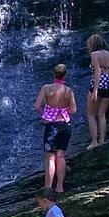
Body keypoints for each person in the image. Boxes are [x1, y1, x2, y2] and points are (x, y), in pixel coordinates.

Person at [34, 64, 77, 193]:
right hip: (64, 125)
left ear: (54, 74)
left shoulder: (47, 88)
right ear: (65, 75)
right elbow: (74, 110)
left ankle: (48, 187)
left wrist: (46, 114)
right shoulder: (68, 91)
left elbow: (37, 106)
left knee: (50, 157)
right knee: (61, 156)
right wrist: (63, 111)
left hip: (52, 126)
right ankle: (60, 186)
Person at [86, 34, 109, 148]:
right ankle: (102, 140)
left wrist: (95, 91)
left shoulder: (94, 54)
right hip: (108, 85)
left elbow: (97, 72)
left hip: (98, 84)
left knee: (91, 114)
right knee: (102, 114)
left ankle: (94, 142)